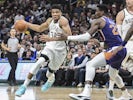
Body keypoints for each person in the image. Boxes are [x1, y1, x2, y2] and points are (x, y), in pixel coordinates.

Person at [40, 4, 133, 100]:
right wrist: (100, 44)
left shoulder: (99, 21)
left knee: (90, 65)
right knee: (113, 74)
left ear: (102, 12)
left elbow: (86, 37)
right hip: (122, 50)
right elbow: (112, 40)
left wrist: (67, 37)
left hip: (115, 50)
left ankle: (86, 93)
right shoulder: (111, 22)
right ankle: (126, 95)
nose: (94, 13)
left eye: (96, 11)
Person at [15, 4, 72, 97]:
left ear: (61, 13)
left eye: (57, 12)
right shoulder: (50, 20)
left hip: (60, 50)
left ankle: (50, 79)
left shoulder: (63, 22)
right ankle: (24, 86)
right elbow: (39, 28)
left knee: (49, 73)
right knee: (38, 62)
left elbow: (69, 37)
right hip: (50, 46)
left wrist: (50, 38)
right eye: (53, 12)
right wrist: (27, 24)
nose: (55, 14)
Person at [107, 0, 133, 99]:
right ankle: (111, 90)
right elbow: (118, 32)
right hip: (126, 43)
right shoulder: (122, 14)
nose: (128, 1)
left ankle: (122, 93)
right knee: (114, 67)